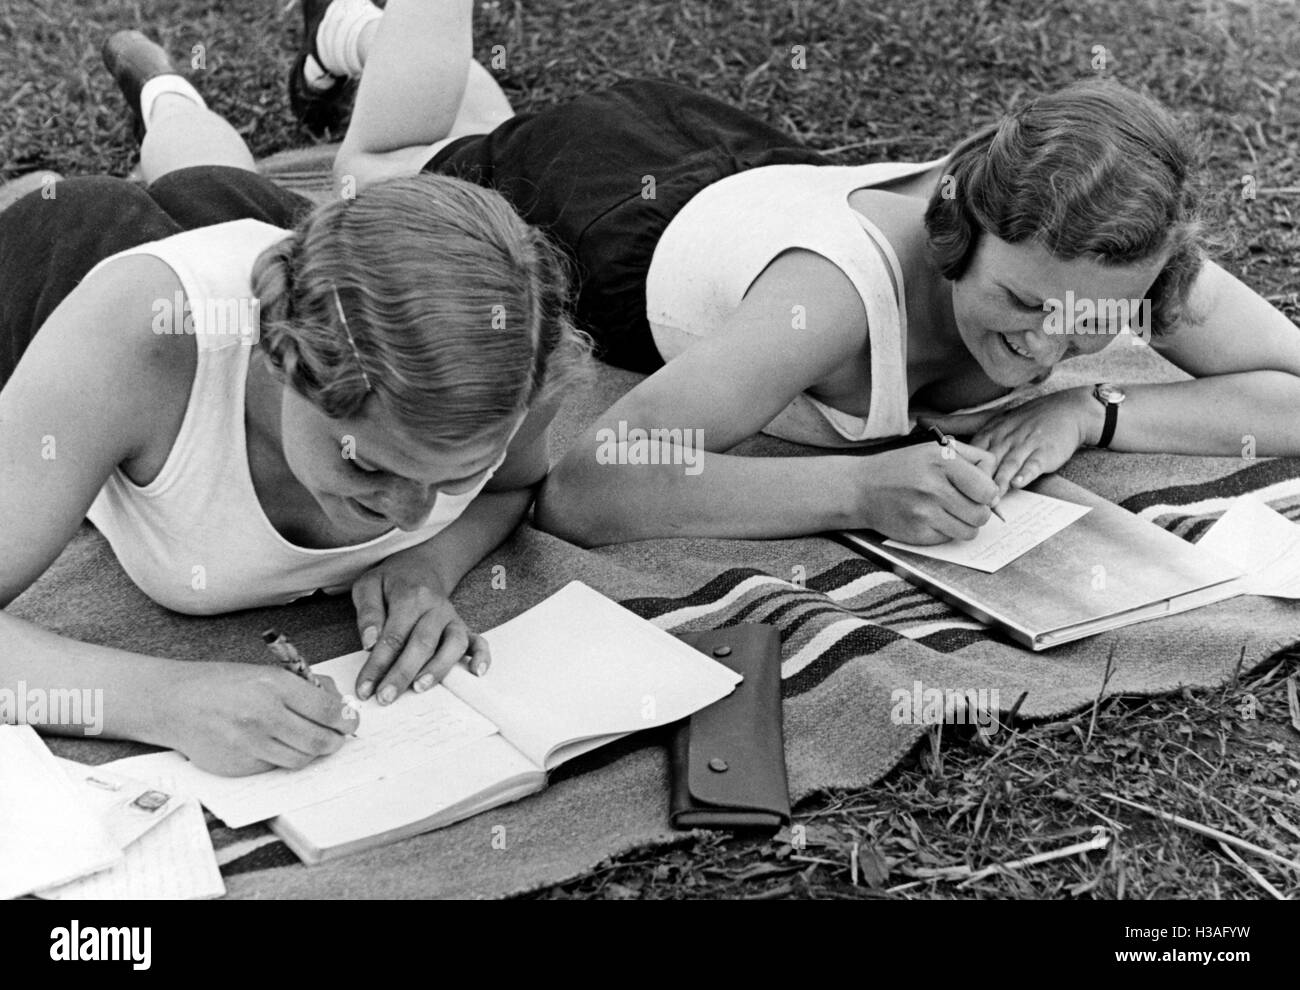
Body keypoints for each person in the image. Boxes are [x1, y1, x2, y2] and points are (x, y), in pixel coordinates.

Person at [301, 0, 1300, 548]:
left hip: (743, 166)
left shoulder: (1116, 250)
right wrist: (854, 491)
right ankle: (364, 33)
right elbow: (588, 484)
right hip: (609, 209)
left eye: (1084, 322)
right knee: (370, 178)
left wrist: (1093, 413)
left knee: (478, 124)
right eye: (1019, 302)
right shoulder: (826, 302)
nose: (1046, 345)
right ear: (955, 225)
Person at [0, 26, 587, 776]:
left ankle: (165, 88)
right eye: (372, 468)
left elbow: (514, 484)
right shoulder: (128, 344)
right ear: (280, 362)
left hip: (256, 219)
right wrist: (162, 700)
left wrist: (433, 565)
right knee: (47, 200)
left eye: (448, 478)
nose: (411, 515)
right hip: (66, 253)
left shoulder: (520, 363)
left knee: (209, 175)